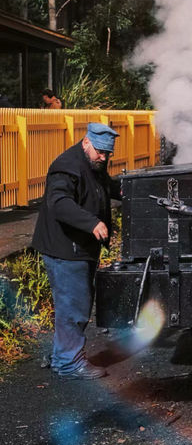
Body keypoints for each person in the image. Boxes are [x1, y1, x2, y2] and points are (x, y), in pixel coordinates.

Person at [32, 123, 121, 378]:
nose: (103, 158)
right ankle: (68, 363)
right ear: (86, 142)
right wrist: (91, 222)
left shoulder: (93, 163)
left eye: (107, 153)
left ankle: (63, 353)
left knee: (75, 302)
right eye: (100, 152)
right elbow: (59, 204)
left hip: (79, 247)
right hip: (65, 249)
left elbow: (107, 187)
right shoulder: (66, 167)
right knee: (74, 305)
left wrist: (131, 191)